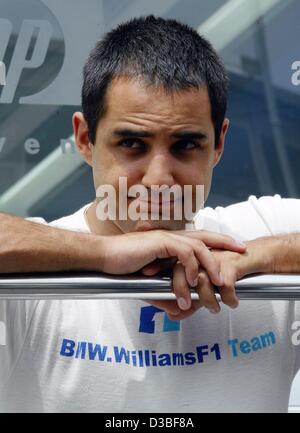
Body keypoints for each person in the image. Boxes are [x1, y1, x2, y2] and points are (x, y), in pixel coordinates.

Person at [1, 15, 300, 413]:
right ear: (85, 139)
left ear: (219, 144)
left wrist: (259, 258)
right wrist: (103, 254)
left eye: (186, 145)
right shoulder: (29, 274)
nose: (158, 180)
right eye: (131, 144)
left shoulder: (259, 231)